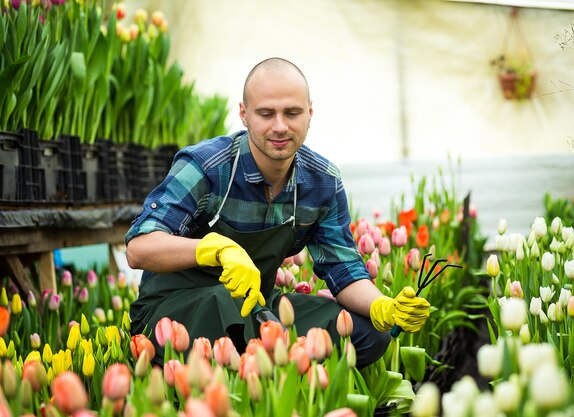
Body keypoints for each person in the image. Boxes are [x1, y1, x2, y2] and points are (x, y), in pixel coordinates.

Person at [125, 57, 430, 369]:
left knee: (363, 333)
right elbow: (139, 248)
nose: (280, 126)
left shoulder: (322, 182)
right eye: (266, 113)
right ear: (244, 114)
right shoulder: (207, 166)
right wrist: (214, 248)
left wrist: (382, 305)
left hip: (254, 308)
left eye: (292, 113)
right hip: (175, 308)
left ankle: (289, 396)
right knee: (226, 311)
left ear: (310, 113)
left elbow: (344, 270)